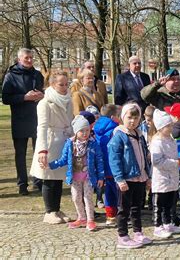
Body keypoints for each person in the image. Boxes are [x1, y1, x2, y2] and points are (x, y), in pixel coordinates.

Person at [30, 70, 73, 223]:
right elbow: (41, 127)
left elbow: (70, 121)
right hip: (49, 141)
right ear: (52, 84)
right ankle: (49, 211)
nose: (64, 87)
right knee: (48, 178)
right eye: (61, 84)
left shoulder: (68, 99)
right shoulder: (44, 102)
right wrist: (42, 150)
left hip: (63, 140)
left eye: (66, 84)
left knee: (59, 178)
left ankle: (57, 209)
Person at [48, 115, 105, 231]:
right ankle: (81, 217)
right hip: (74, 176)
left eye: (87, 130)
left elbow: (99, 160)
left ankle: (90, 220)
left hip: (89, 177)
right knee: (76, 198)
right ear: (76, 131)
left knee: (88, 198)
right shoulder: (69, 144)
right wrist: (51, 165)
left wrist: (101, 177)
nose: (85, 133)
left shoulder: (93, 143)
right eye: (82, 131)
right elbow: (64, 159)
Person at [108, 103, 152, 249]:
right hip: (126, 178)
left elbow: (144, 157)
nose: (132, 121)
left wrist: (148, 176)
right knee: (124, 208)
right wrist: (119, 179)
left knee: (137, 206)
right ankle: (123, 236)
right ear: (123, 117)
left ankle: (138, 232)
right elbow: (114, 159)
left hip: (139, 177)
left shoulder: (140, 135)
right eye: (129, 117)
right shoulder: (119, 136)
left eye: (136, 117)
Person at [2, 48, 44, 195]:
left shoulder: (37, 74)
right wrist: (24, 97)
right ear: (19, 59)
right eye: (27, 58)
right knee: (20, 154)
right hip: (20, 119)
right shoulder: (11, 76)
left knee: (39, 151)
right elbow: (6, 98)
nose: (30, 60)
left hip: (37, 118)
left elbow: (41, 92)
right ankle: (22, 184)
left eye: (32, 58)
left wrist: (41, 95)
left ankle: (38, 182)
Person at [150, 109, 180, 238]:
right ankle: (157, 225)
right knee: (160, 204)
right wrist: (174, 163)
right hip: (162, 178)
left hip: (172, 177)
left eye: (171, 125)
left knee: (170, 202)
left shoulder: (170, 139)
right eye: (168, 126)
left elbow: (174, 155)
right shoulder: (157, 142)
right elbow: (157, 161)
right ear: (160, 127)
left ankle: (167, 222)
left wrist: (179, 160)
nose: (170, 128)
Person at [93, 104, 121, 226]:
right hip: (114, 165)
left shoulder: (96, 129)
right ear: (113, 117)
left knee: (108, 191)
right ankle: (121, 213)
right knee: (118, 191)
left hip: (102, 165)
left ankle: (110, 216)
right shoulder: (115, 130)